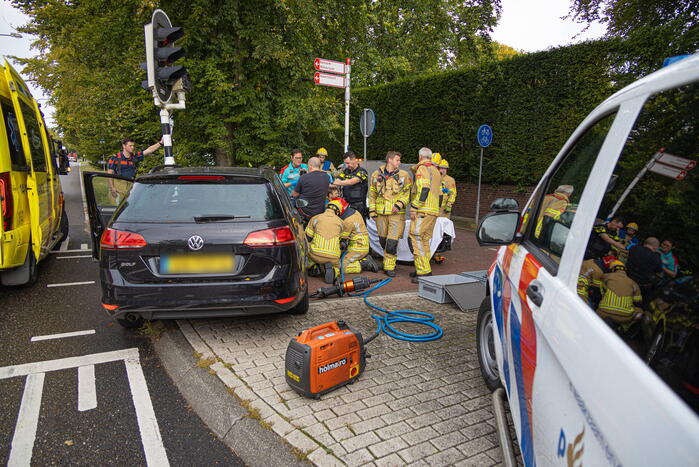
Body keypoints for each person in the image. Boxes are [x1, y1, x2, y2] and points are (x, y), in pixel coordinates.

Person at [368, 151, 412, 277]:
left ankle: (389, 266)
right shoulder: (376, 175)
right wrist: (372, 210)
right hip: (381, 214)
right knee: (383, 241)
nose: (399, 162)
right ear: (390, 160)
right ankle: (388, 261)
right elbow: (372, 194)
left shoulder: (404, 175)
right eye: (397, 160)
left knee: (392, 242)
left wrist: (399, 205)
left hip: (396, 215)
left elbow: (408, 193)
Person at [408, 147, 442, 283]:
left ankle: (423, 272)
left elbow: (424, 188)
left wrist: (415, 206)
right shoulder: (436, 171)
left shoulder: (422, 169)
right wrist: (436, 210)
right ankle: (422, 267)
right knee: (424, 240)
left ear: (420, 157)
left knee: (416, 237)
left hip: (423, 210)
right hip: (433, 211)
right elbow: (440, 194)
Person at [332, 197, 377, 274]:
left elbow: (341, 241)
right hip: (360, 245)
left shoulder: (347, 221)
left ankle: (364, 265)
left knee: (340, 266)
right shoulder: (354, 212)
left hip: (358, 248)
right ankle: (363, 259)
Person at [305, 199, 345, 284]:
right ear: (337, 212)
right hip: (333, 257)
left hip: (316, 254)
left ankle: (313, 266)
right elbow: (341, 242)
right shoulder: (341, 222)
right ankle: (334, 271)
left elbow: (308, 237)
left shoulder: (316, 218)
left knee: (307, 246)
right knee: (338, 266)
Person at [597, 260, 643, 325]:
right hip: (624, 317)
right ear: (625, 270)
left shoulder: (606, 277)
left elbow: (601, 292)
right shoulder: (633, 283)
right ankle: (625, 328)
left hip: (602, 312)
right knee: (640, 311)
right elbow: (638, 301)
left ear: (612, 269)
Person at [292, 156, 330, 221]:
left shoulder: (303, 177)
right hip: (320, 211)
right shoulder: (326, 176)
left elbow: (294, 194)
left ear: (310, 166)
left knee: (290, 201)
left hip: (305, 213)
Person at [332, 151, 369, 218]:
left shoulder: (362, 171)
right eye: (345, 163)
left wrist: (338, 182)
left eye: (348, 163)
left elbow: (351, 182)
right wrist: (337, 182)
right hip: (346, 204)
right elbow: (338, 179)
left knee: (359, 226)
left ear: (354, 160)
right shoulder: (346, 171)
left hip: (359, 205)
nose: (347, 165)